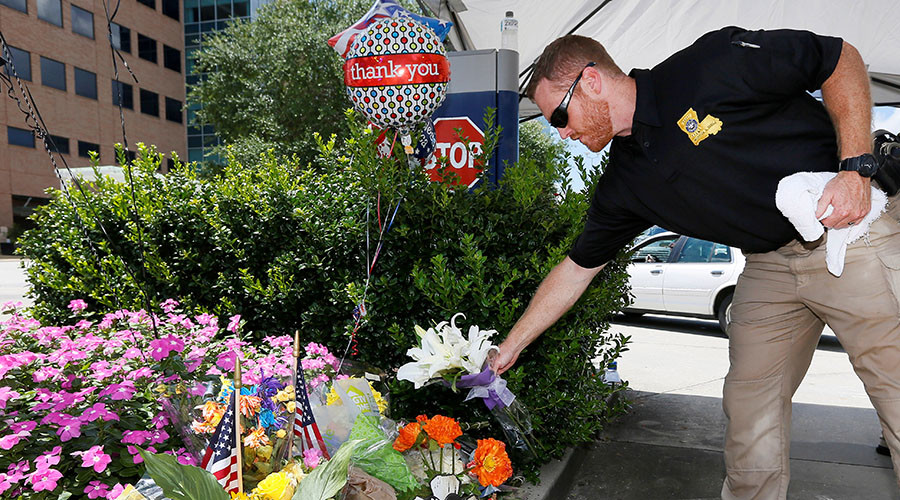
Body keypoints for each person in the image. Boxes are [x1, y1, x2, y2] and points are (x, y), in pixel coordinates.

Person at [490, 27, 900, 499]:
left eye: (560, 115)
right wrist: (510, 347)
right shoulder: (625, 182)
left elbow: (837, 57)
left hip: (849, 234)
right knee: (748, 414)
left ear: (592, 81)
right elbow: (578, 267)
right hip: (769, 265)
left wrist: (855, 168)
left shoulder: (711, 64)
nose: (562, 132)